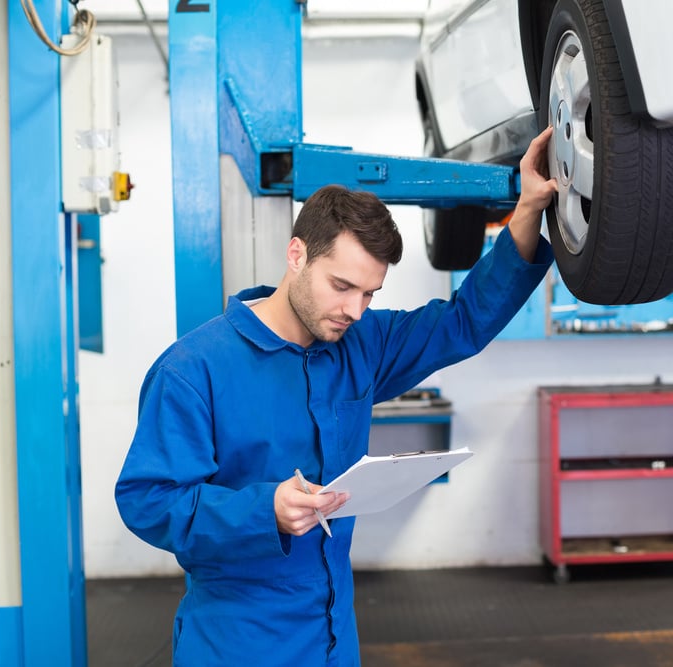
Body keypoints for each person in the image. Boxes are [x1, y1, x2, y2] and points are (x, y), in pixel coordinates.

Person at [114, 125, 557, 666]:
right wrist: (264, 509)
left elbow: (462, 324)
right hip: (239, 642)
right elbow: (148, 500)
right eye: (342, 286)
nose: (354, 309)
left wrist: (530, 207)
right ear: (296, 255)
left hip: (333, 638)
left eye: (370, 293)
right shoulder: (193, 369)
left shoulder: (358, 341)